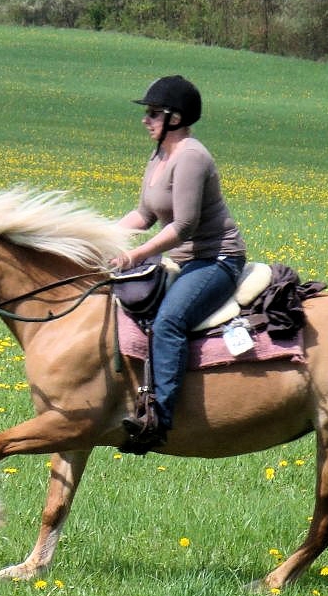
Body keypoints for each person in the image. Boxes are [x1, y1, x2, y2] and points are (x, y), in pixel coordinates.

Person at [111, 75, 246, 451]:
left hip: (215, 260)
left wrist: (135, 254)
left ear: (175, 118)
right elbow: (142, 215)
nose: (146, 119)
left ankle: (158, 417)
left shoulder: (190, 157)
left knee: (169, 320)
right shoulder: (159, 155)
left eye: (153, 113)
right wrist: (99, 238)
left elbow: (184, 226)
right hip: (186, 261)